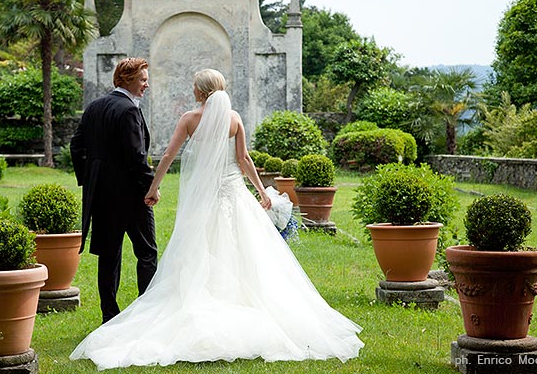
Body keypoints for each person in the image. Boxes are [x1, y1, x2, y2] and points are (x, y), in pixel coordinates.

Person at [70, 69, 364, 369]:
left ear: (200, 92)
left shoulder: (189, 119)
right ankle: (244, 305)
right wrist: (262, 192)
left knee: (180, 252)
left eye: (195, 87)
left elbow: (169, 156)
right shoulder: (234, 119)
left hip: (201, 201)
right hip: (236, 196)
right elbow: (244, 160)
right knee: (248, 254)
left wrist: (154, 187)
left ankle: (139, 310)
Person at [70, 57, 157, 324]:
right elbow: (136, 156)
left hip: (101, 195)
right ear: (126, 79)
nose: (146, 84)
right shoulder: (129, 110)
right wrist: (151, 187)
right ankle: (145, 312)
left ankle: (109, 315)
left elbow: (76, 146)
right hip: (131, 195)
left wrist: (92, 178)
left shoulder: (94, 107)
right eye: (143, 79)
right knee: (147, 252)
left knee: (108, 255)